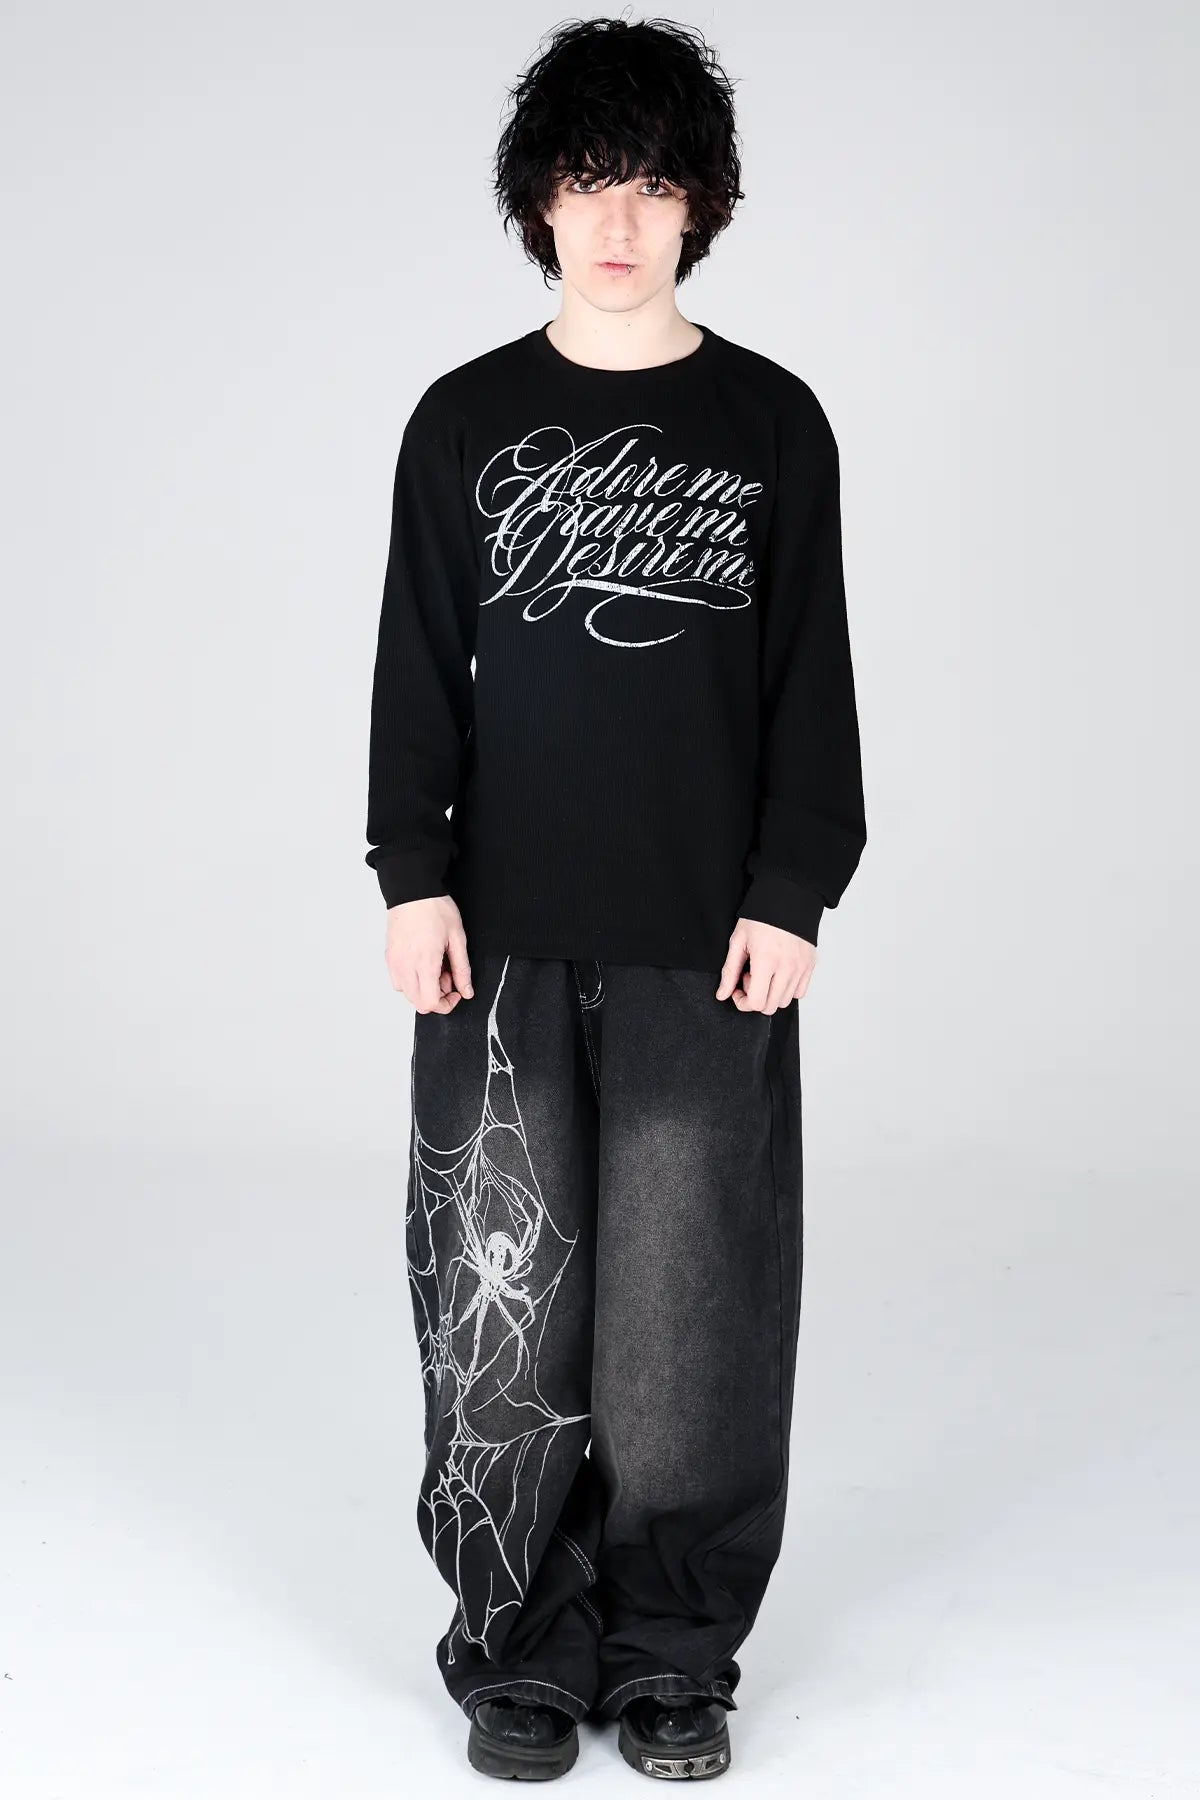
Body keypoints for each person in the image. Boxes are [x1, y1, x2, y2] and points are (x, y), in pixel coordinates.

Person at [364, 16, 866, 1782]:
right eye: (588, 184)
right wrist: (411, 875)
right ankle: (516, 1644)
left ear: (700, 205)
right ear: (539, 206)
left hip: (705, 944)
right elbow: (417, 667)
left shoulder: (771, 423)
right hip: (497, 938)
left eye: (653, 184)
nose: (621, 222)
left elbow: (811, 682)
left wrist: (794, 889)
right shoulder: (466, 421)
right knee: (497, 1298)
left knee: (689, 1312)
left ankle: (670, 1652)